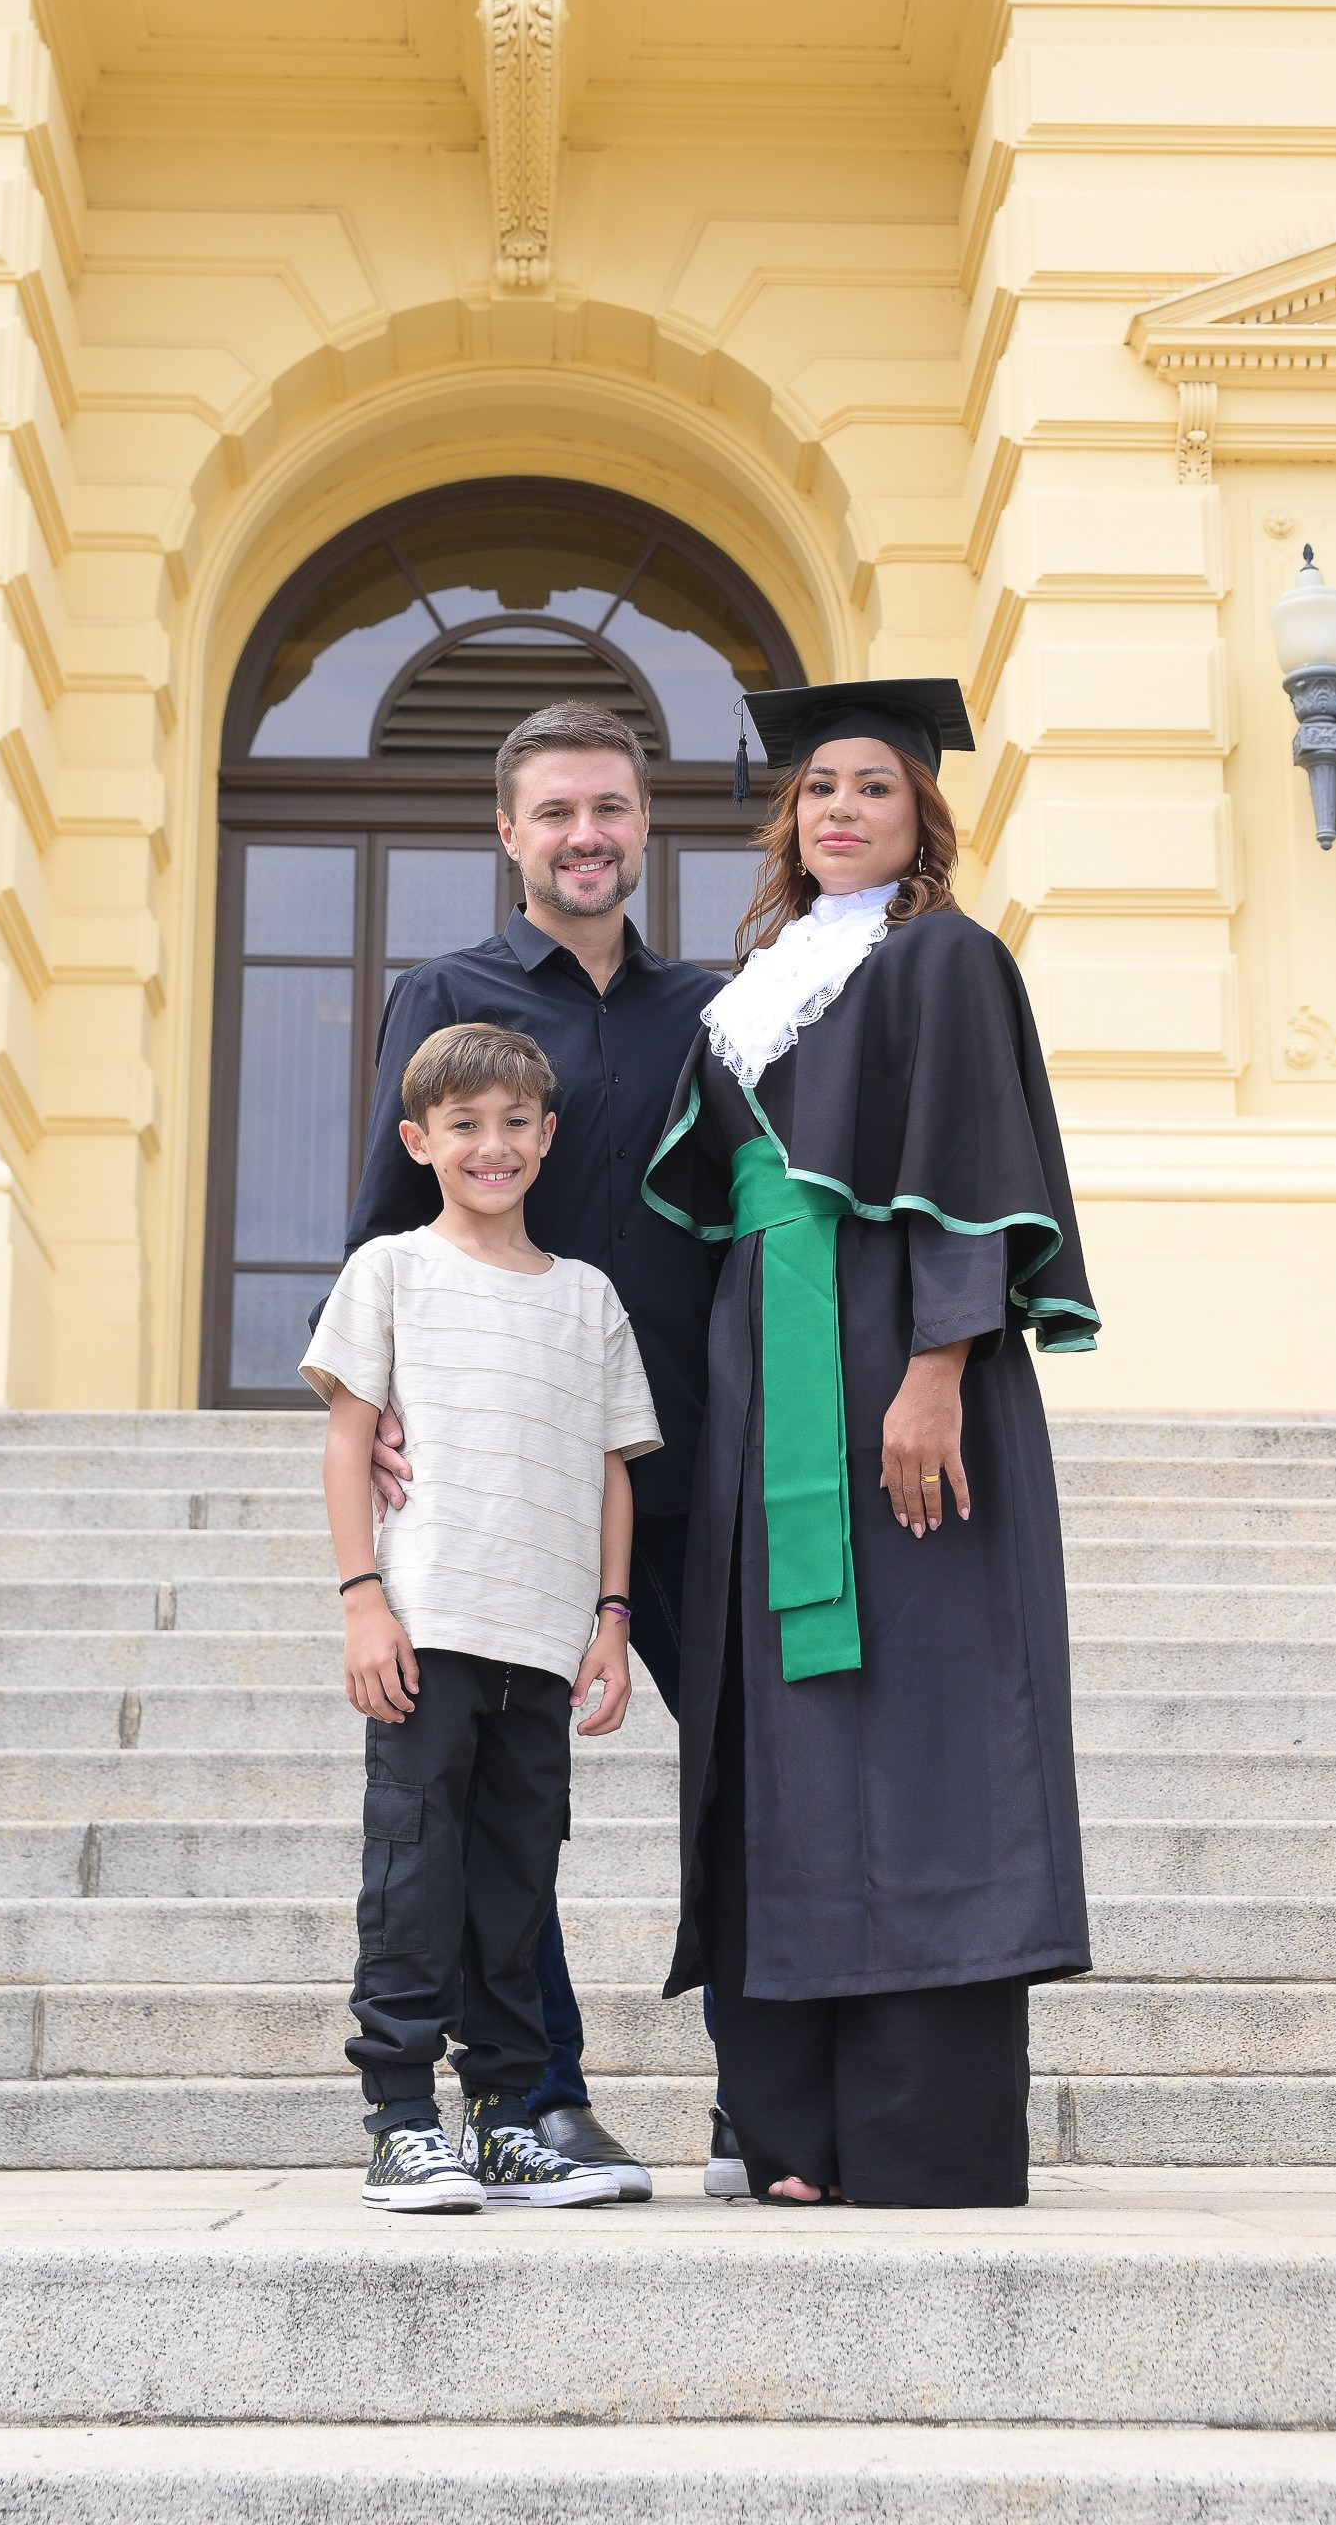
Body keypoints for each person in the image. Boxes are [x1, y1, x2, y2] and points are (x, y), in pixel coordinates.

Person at [644, 677, 1098, 2209]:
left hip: (886, 1365)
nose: (838, 808)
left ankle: (913, 2133)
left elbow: (971, 1159)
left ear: (922, 821)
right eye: (819, 788)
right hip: (764, 1371)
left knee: (917, 1734)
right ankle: (788, 2130)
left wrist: (935, 1373)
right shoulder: (760, 979)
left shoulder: (945, 960)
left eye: (874, 790)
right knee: (775, 1728)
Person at [338, 700, 738, 2200]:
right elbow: (388, 1214)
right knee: (507, 1795)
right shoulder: (447, 992)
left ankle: (763, 2089)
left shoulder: (709, 1008)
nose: (587, 837)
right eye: (557, 813)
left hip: (683, 1448)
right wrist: (375, 1416)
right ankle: (535, 2097)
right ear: (508, 834)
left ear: (646, 827)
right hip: (499, 1476)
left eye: (612, 811)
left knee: (740, 1769)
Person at [303, 1019, 662, 2213]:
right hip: (425, 1624)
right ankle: (401, 2121)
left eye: (515, 1124)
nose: (492, 1145)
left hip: (542, 1640)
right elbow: (349, 1440)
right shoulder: (391, 1271)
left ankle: (508, 2117)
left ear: (548, 1137)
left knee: (515, 1883)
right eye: (464, 1126)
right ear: (419, 1141)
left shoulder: (588, 1298)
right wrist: (363, 1601)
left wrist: (610, 1621)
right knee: (413, 1870)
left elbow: (616, 1467)